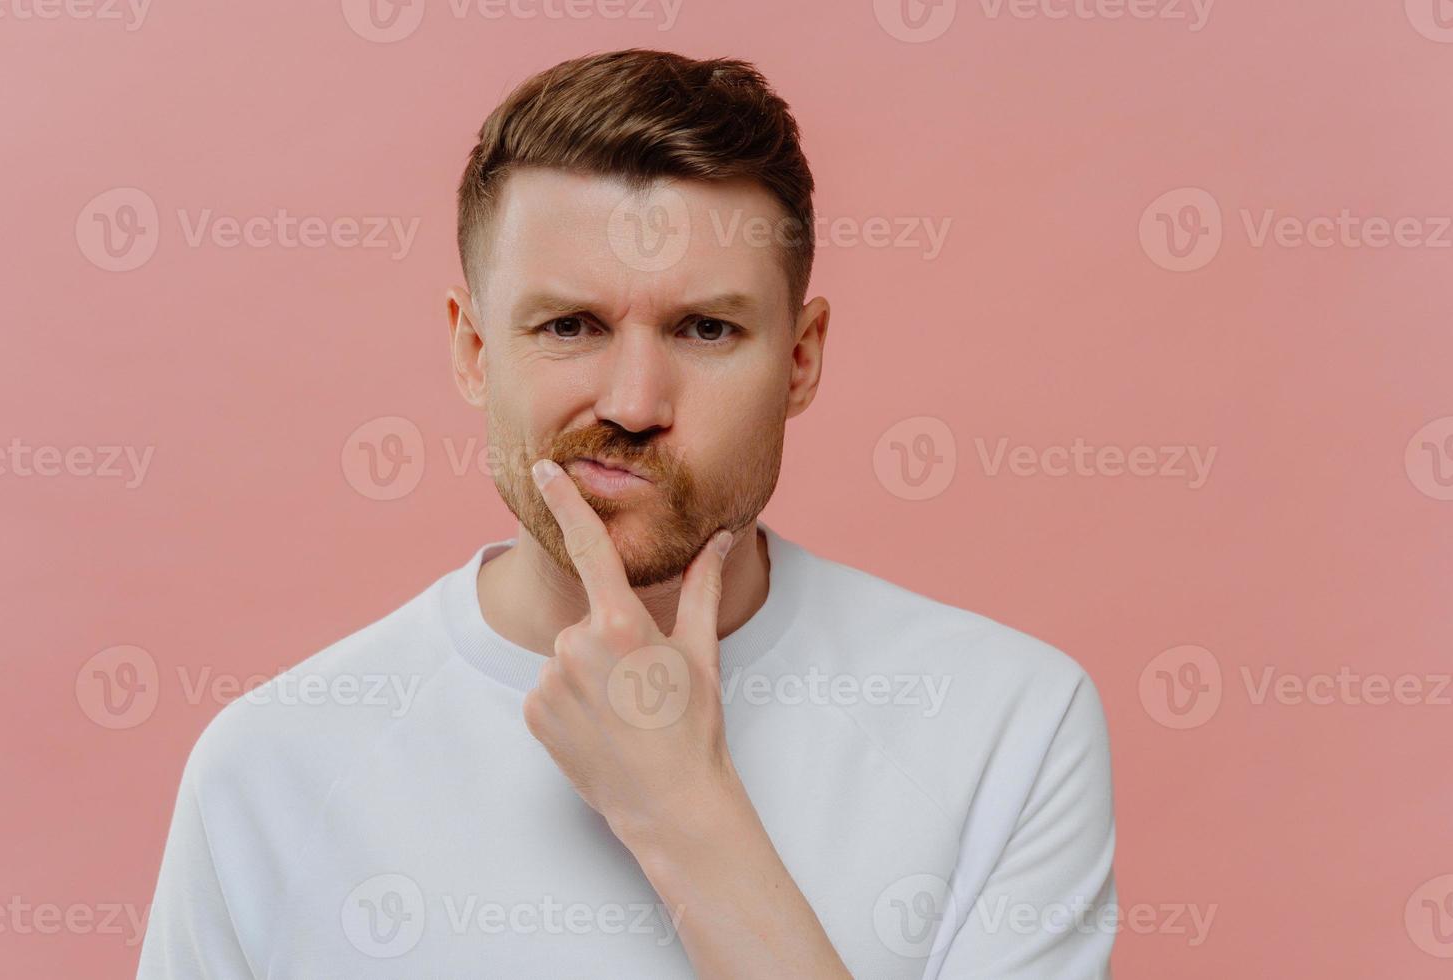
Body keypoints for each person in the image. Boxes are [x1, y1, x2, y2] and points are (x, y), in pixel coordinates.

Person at [138, 48, 1116, 979]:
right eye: (570, 325)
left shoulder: (1009, 724)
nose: (636, 402)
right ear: (474, 351)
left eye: (706, 327)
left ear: (802, 358)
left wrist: (684, 809)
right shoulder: (268, 771)